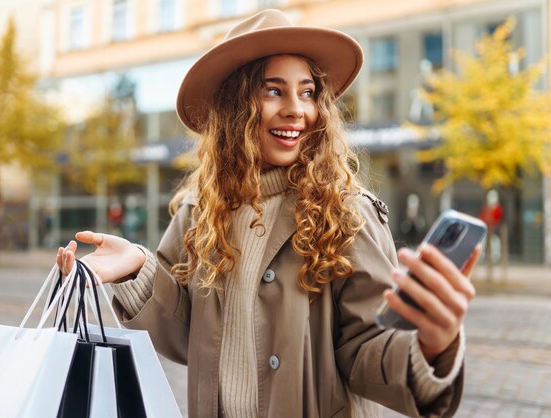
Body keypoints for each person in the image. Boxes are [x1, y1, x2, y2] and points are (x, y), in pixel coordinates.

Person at [57, 9, 481, 418]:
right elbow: (192, 336)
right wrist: (138, 270)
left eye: (308, 91)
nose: (297, 108)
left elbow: (367, 347)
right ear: (235, 109)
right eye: (273, 90)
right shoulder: (199, 212)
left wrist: (430, 346)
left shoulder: (347, 213)